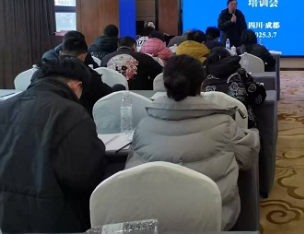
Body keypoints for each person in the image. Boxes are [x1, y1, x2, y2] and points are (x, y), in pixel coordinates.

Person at [125, 55, 260, 231]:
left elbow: (129, 169)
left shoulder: (143, 125)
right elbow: (248, 157)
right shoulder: (224, 125)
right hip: (207, 219)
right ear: (201, 84)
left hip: (150, 220)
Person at [0, 58, 105, 233]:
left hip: (6, 217)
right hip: (54, 219)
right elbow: (83, 177)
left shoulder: (3, 106)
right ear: (77, 85)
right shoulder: (72, 113)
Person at [202, 47, 267, 128]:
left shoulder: (203, 75)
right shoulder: (239, 72)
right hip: (242, 125)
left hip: (210, 127)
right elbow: (257, 97)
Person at [59, 36, 117, 116]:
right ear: (84, 55)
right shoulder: (88, 75)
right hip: (82, 119)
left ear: (61, 53)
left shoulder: (47, 72)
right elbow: (107, 95)